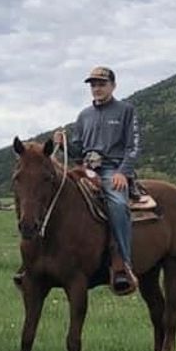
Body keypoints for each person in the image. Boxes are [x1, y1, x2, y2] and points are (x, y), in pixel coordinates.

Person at [53, 66, 141, 295]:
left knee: (119, 204)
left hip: (113, 169)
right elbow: (77, 151)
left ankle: (123, 263)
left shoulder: (125, 110)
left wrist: (124, 172)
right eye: (93, 85)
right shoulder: (83, 116)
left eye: (102, 84)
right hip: (86, 168)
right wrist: (63, 144)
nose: (97, 88)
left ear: (113, 85)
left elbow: (133, 147)